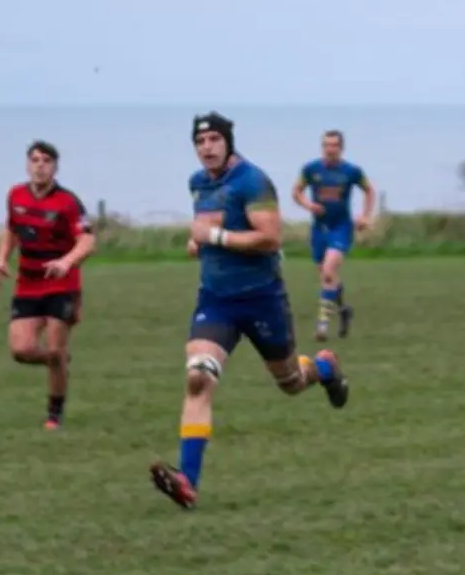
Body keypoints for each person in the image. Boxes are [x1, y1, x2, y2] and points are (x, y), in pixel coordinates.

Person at [149, 112, 350, 510]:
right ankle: (187, 481)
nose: (206, 147)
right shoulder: (198, 183)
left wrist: (215, 237)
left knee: (291, 382)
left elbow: (270, 238)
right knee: (197, 378)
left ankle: (325, 368)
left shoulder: (253, 181)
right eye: (200, 141)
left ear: (228, 142)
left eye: (213, 140)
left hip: (261, 298)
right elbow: (207, 226)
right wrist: (200, 244)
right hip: (216, 300)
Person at [0, 140, 96, 430]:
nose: (40, 166)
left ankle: (54, 414)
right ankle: (60, 359)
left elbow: (88, 240)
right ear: (28, 165)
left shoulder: (68, 202)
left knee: (54, 348)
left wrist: (66, 262)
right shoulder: (15, 195)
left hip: (62, 284)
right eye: (35, 160)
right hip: (27, 283)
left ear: (55, 167)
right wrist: (2, 258)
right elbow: (11, 229)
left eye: (46, 161)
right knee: (21, 350)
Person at [292, 130, 376, 340]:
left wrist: (365, 216)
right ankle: (343, 310)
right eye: (326, 145)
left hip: (341, 227)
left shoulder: (351, 171)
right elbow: (296, 191)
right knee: (327, 276)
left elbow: (369, 190)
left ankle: (322, 326)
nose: (330, 149)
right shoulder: (311, 169)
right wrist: (308, 204)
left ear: (341, 148)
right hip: (319, 229)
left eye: (334, 145)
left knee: (329, 271)